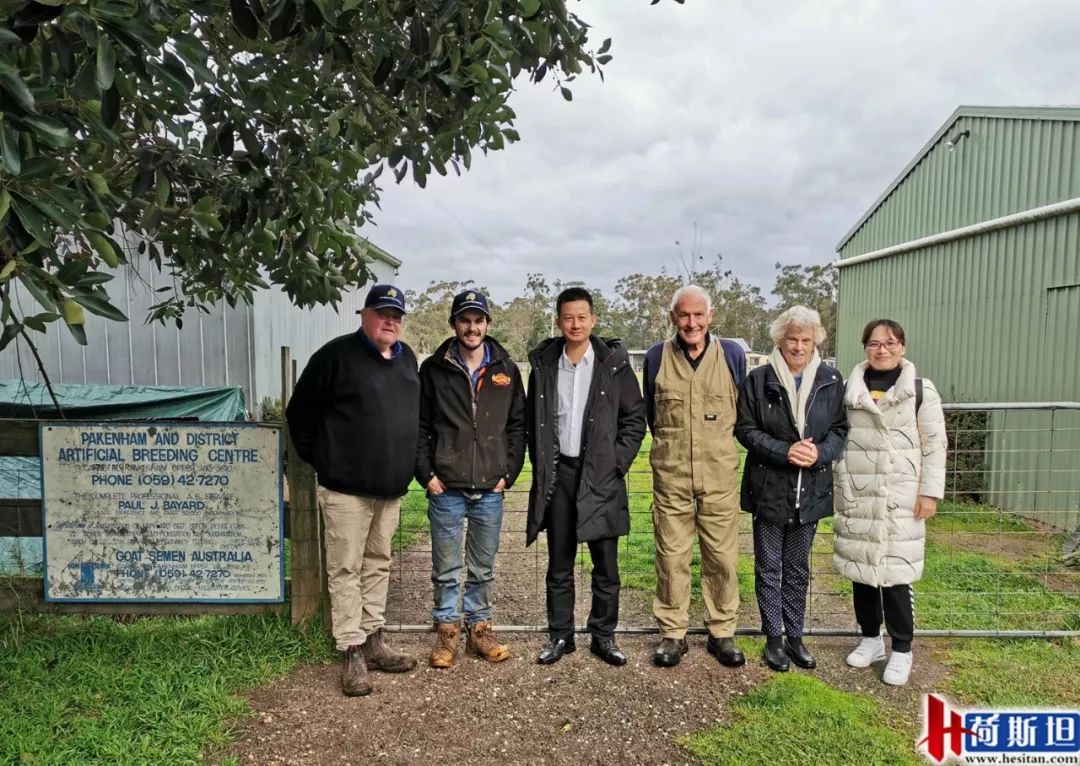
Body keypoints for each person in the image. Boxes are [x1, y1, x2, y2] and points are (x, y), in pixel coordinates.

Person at [285, 283, 420, 697]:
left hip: (390, 488)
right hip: (345, 490)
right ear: (364, 314)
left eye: (396, 314)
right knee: (345, 568)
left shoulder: (407, 358)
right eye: (382, 312)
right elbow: (300, 414)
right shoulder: (334, 357)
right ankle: (351, 649)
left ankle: (375, 639)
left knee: (378, 562)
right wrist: (325, 460)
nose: (390, 320)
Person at [525, 287, 647, 666]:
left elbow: (634, 419)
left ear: (593, 320)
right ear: (558, 321)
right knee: (559, 563)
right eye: (567, 317)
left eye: (582, 317)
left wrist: (616, 463)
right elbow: (533, 422)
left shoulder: (613, 364)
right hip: (560, 476)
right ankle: (561, 636)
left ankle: (603, 636)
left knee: (605, 564)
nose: (575, 324)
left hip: (601, 477)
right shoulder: (545, 365)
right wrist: (545, 463)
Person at [416, 289, 526, 668]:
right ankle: (447, 632)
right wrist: (426, 474)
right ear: (454, 324)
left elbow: (517, 425)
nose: (472, 327)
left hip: (489, 490)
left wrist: (508, 474)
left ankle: (479, 630)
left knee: (483, 566)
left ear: (487, 325)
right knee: (445, 567)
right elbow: (421, 426)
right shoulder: (433, 369)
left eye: (478, 320)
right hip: (446, 487)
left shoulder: (506, 369)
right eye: (465, 320)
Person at [833, 319, 946, 686]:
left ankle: (902, 648)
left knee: (897, 575)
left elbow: (934, 445)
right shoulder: (849, 390)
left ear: (903, 347)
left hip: (902, 496)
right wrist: (840, 483)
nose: (883, 349)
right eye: (875, 343)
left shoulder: (919, 390)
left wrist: (929, 492)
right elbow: (838, 438)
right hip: (860, 492)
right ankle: (870, 639)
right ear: (865, 347)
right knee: (862, 571)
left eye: (891, 342)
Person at [735, 305, 848, 672]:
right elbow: (746, 429)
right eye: (791, 340)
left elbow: (840, 431)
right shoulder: (759, 378)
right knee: (769, 566)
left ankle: (795, 635)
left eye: (806, 340)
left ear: (815, 342)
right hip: (770, 487)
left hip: (810, 489)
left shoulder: (830, 379)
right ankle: (774, 638)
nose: (799, 347)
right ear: (779, 341)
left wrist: (819, 453)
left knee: (797, 567)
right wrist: (785, 451)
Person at [642, 284, 748, 668]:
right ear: (673, 318)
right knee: (671, 557)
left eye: (698, 315)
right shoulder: (655, 358)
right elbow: (653, 419)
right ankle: (673, 634)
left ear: (710, 316)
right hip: (671, 478)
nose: (691, 323)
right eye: (683, 315)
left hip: (719, 477)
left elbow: (743, 415)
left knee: (722, 557)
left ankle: (722, 632)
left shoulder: (733, 355)